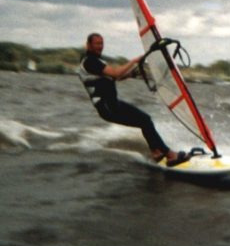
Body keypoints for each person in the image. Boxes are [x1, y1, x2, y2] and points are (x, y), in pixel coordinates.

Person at [78, 33, 188, 166]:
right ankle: (170, 155)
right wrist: (134, 61)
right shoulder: (90, 61)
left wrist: (130, 74)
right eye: (97, 43)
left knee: (144, 121)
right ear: (89, 45)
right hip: (108, 107)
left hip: (111, 105)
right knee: (145, 120)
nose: (100, 46)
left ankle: (156, 152)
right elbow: (116, 73)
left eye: (101, 43)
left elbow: (114, 78)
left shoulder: (93, 61)